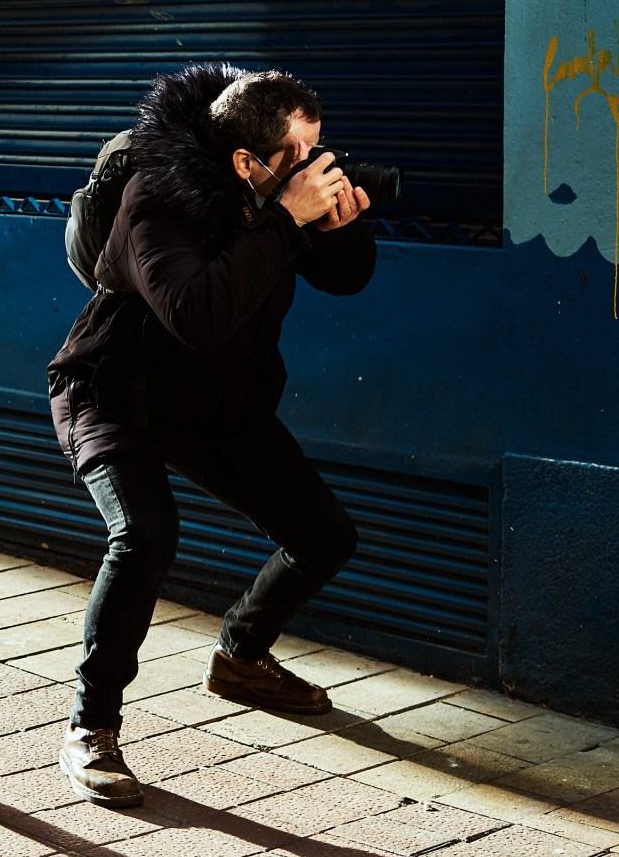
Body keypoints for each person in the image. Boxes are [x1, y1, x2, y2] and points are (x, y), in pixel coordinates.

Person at [48, 64, 377, 807]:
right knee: (145, 536)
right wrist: (287, 222)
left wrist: (339, 224)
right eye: (299, 155)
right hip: (116, 394)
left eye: (318, 149)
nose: (315, 168)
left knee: (324, 535)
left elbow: (346, 279)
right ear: (245, 161)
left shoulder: (274, 202)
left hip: (220, 404)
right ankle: (91, 727)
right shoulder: (156, 198)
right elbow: (197, 313)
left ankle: (241, 657)